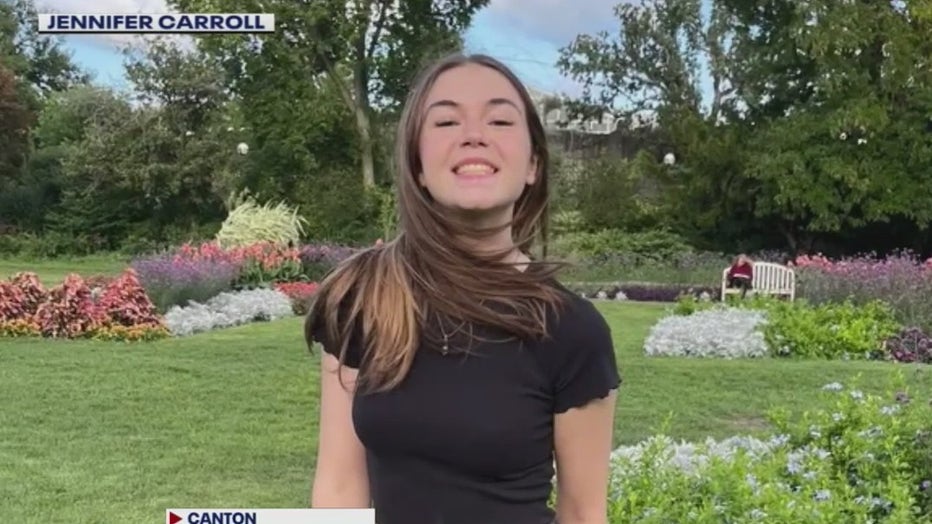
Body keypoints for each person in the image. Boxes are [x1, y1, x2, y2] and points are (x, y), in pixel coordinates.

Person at [304, 53, 620, 524]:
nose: (474, 135)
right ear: (418, 164)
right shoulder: (363, 296)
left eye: (499, 120)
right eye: (447, 121)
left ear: (532, 164)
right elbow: (338, 487)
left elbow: (583, 513)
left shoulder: (571, 330)